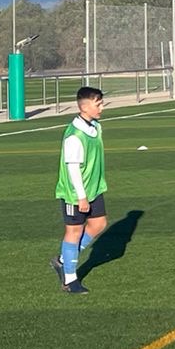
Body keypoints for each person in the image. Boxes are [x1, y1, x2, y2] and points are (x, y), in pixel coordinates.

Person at [52, 86, 106, 295]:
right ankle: (70, 279)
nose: (101, 107)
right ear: (84, 107)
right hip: (75, 193)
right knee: (73, 231)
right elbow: (73, 168)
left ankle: (63, 259)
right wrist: (81, 197)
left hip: (93, 188)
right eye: (98, 104)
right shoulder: (74, 136)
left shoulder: (95, 127)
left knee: (99, 223)